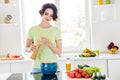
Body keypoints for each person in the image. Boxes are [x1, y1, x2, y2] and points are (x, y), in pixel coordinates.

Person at [25, 3, 62, 70]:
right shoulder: (33, 29)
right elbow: (26, 48)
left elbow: (59, 52)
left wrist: (48, 43)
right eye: (46, 13)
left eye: (51, 15)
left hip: (52, 66)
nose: (48, 17)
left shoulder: (56, 30)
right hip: (37, 67)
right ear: (42, 13)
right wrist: (30, 48)